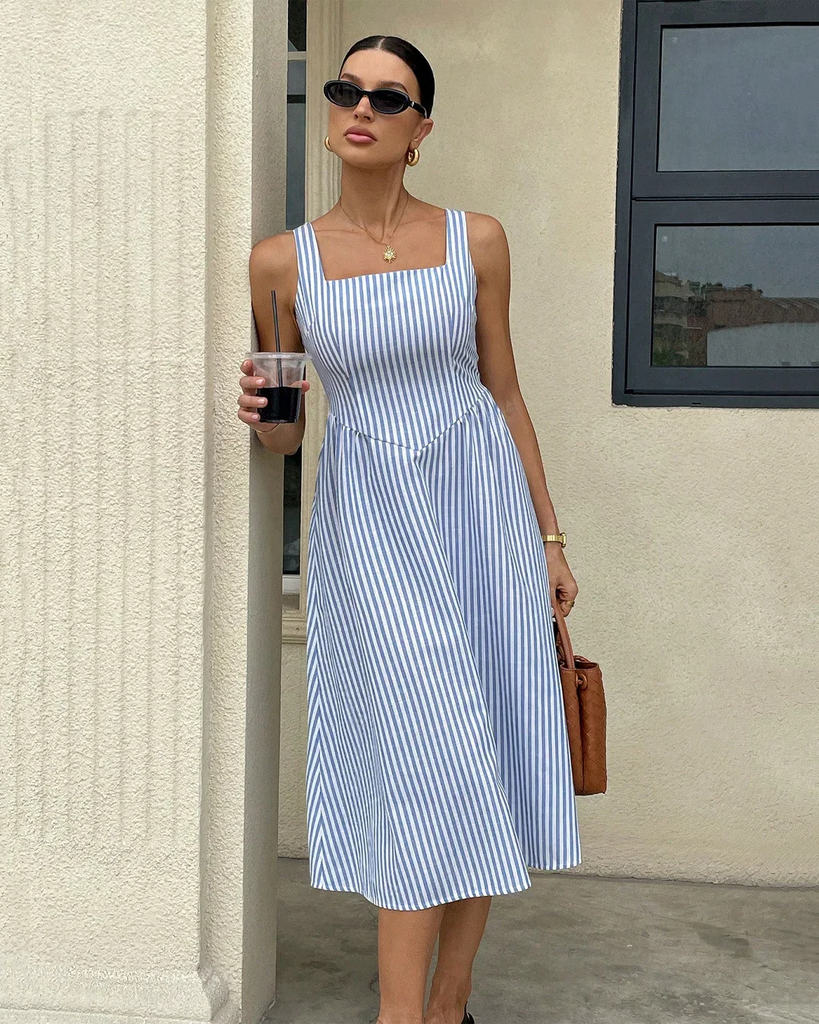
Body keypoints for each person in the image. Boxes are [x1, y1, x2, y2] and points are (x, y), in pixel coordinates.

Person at [238, 33, 581, 1024]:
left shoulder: (478, 239)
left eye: (388, 98)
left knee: (490, 750)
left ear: (419, 130)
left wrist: (551, 541)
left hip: (482, 516)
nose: (360, 106)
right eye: (346, 88)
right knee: (428, 757)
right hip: (372, 526)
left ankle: (448, 1006)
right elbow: (290, 433)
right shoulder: (279, 265)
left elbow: (505, 390)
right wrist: (264, 413)